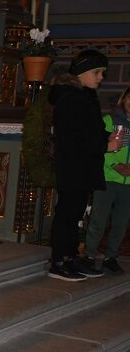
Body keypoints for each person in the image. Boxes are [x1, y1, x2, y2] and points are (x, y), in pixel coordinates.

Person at [48, 49, 109, 281]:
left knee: (76, 215)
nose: (101, 77)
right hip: (73, 166)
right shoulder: (69, 98)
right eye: (97, 72)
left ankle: (72, 258)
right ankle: (58, 261)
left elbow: (93, 130)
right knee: (67, 213)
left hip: (84, 166)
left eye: (102, 73)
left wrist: (107, 138)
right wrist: (104, 145)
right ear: (82, 73)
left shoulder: (87, 96)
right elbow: (73, 136)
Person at [81, 85, 130, 275]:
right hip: (108, 177)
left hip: (128, 182)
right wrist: (115, 165)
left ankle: (111, 257)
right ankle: (89, 255)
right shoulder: (109, 120)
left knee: (120, 223)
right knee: (98, 220)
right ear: (124, 99)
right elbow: (98, 146)